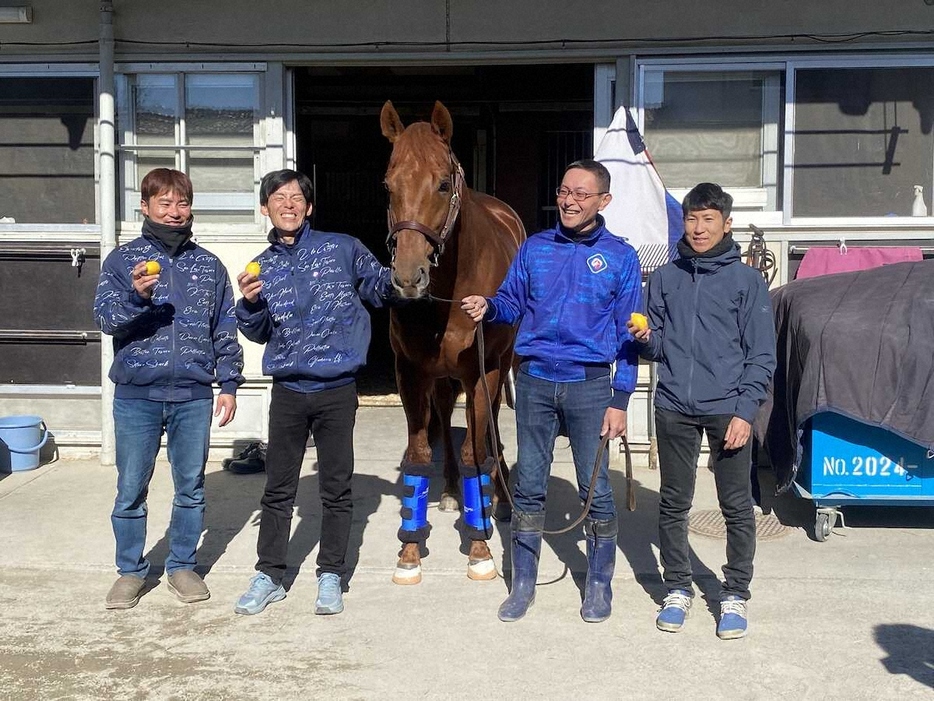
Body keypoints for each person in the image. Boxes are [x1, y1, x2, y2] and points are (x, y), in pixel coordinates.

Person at [462, 159, 642, 623]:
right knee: (528, 487)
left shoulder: (621, 257)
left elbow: (629, 335)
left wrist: (620, 400)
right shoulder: (535, 248)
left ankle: (599, 583)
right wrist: (489, 305)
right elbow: (511, 301)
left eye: (582, 194)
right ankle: (522, 583)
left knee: (596, 489)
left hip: (590, 385)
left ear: (604, 201)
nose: (570, 200)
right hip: (536, 380)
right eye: (565, 191)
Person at [233, 169, 394, 616]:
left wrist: (410, 266)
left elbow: (383, 290)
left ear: (309, 207)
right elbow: (259, 332)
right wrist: (248, 305)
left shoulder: (342, 248)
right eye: (278, 197)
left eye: (297, 197)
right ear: (265, 208)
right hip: (287, 389)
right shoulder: (259, 267)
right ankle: (270, 574)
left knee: (336, 489)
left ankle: (331, 574)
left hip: (337, 389)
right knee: (278, 489)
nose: (289, 204)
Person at [629, 182, 776, 640]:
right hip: (674, 406)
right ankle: (677, 588)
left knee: (735, 506)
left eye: (708, 219)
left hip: (728, 409)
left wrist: (745, 411)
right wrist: (645, 338)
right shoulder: (666, 278)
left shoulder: (747, 282)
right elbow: (658, 347)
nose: (698, 228)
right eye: (692, 218)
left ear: (726, 224)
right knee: (674, 503)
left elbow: (762, 355)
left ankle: (734, 594)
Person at [94, 168, 244, 610]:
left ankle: (181, 565)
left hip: (193, 397)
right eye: (165, 203)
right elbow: (105, 321)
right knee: (130, 489)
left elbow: (225, 329)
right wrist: (137, 297)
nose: (175, 212)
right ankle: (130, 572)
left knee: (191, 487)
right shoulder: (123, 261)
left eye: (182, 203)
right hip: (137, 397)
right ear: (145, 207)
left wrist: (229, 383)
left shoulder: (209, 265)